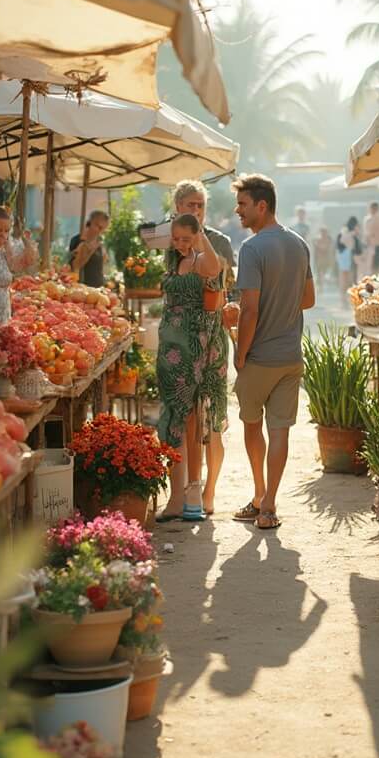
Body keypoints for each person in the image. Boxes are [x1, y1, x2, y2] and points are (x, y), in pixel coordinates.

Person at [230, 174, 314, 531]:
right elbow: (308, 300)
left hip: (259, 357)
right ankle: (269, 507)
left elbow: (249, 310)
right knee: (280, 431)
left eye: (243, 204)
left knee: (253, 427)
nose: (238, 211)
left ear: (262, 206)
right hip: (290, 356)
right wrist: (284, 302)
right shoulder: (299, 244)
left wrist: (240, 353)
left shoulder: (251, 249)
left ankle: (258, 495)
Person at [168, 179, 236, 516]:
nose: (195, 211)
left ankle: (209, 492)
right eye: (190, 205)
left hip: (210, 338)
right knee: (184, 417)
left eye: (200, 206)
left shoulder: (218, 241)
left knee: (212, 419)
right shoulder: (168, 242)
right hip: (178, 341)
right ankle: (182, 494)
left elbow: (227, 286)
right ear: (177, 207)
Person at [154, 214, 225, 523]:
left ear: (196, 236)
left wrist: (200, 237)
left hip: (193, 350)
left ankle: (190, 495)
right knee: (172, 418)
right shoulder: (174, 259)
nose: (180, 244)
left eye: (186, 238)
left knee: (189, 419)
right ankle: (175, 495)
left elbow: (215, 268)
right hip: (170, 347)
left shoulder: (200, 259)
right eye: (176, 238)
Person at [68, 210, 109, 287]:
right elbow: (75, 266)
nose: (101, 232)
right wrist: (88, 248)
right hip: (82, 289)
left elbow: (103, 264)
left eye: (103, 229)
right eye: (99, 227)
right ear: (90, 223)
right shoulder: (78, 240)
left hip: (98, 288)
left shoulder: (99, 242)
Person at [336, 216, 362, 307]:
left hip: (342, 259)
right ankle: (349, 301)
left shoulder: (342, 232)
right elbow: (357, 249)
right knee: (351, 280)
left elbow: (338, 246)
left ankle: (343, 301)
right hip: (350, 259)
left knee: (343, 280)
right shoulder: (353, 234)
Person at [312, 226, 335, 292]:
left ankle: (323, 286)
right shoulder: (317, 240)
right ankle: (320, 287)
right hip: (320, 259)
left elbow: (330, 248)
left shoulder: (329, 239)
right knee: (319, 273)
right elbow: (316, 250)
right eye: (322, 232)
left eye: (324, 232)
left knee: (325, 273)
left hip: (327, 259)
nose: (323, 234)